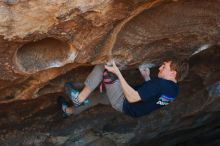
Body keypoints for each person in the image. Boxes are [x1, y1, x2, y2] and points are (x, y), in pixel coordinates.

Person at [58, 58, 188, 118]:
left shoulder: (161, 83)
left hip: (125, 102)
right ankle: (68, 111)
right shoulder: (174, 90)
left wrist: (117, 73)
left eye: (164, 67)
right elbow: (154, 96)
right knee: (99, 97)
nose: (160, 68)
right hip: (131, 110)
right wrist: (147, 78)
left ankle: (79, 98)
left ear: (173, 73)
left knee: (106, 64)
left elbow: (132, 98)